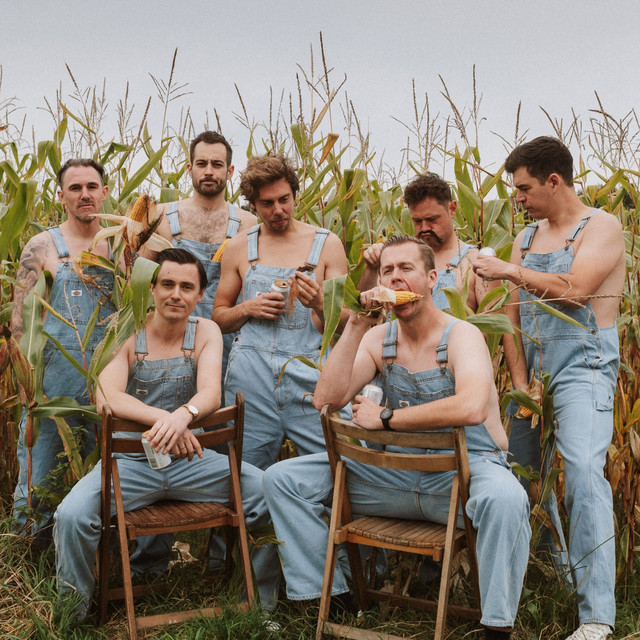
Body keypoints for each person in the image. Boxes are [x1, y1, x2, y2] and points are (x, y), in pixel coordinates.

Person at [263, 235, 531, 639]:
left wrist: (387, 418)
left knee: (508, 499)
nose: (395, 278)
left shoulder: (462, 335)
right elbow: (326, 399)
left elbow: (472, 407)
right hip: (392, 478)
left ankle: (496, 627)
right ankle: (335, 600)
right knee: (282, 480)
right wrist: (357, 324)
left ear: (432, 279)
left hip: (461, 480)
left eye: (406, 269)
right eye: (387, 270)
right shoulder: (378, 338)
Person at [53, 248, 279, 618]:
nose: (176, 294)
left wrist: (184, 416)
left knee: (269, 493)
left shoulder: (205, 331)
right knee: (72, 516)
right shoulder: (126, 330)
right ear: (152, 288)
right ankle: (72, 614)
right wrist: (169, 421)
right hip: (129, 465)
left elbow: (211, 393)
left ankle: (258, 608)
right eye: (168, 284)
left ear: (200, 294)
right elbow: (107, 396)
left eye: (186, 287)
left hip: (192, 461)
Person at [473, 136, 625, 640]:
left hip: (585, 364)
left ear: (553, 181)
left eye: (524, 189)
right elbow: (511, 315)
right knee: (518, 473)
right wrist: (520, 382)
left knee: (582, 473)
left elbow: (577, 290)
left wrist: (508, 269)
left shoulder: (601, 227)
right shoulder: (526, 236)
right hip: (534, 371)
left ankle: (597, 617)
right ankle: (556, 574)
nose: (517, 199)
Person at [212, 153, 350, 471]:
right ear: (252, 205)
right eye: (267, 203)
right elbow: (219, 317)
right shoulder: (238, 247)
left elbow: (347, 325)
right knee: (244, 474)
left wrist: (320, 303)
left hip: (311, 375)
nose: (278, 210)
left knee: (339, 465)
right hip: (252, 379)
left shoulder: (327, 244)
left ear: (294, 195)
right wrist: (248, 308)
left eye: (284, 199)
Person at [11, 158, 117, 535]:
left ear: (105, 192)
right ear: (61, 196)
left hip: (108, 380)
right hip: (52, 381)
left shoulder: (120, 245)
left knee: (104, 474)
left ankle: (100, 550)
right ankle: (29, 546)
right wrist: (26, 383)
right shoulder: (41, 247)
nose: (84, 194)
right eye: (75, 188)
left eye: (92, 187)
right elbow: (20, 321)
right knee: (40, 470)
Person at [359, 172, 489, 310]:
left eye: (432, 219)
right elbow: (363, 310)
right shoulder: (394, 260)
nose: (424, 228)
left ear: (452, 209)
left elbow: (492, 321)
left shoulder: (476, 262)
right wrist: (371, 269)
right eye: (417, 221)